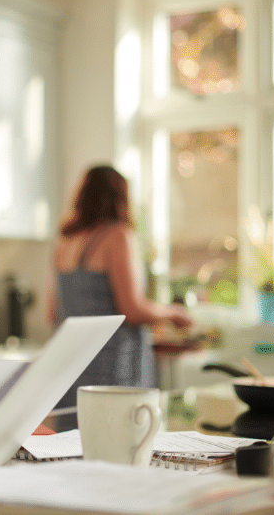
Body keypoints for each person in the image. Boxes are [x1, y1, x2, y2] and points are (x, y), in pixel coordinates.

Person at [48, 165, 192, 408]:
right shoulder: (117, 236)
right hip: (114, 368)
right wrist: (172, 313)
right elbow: (132, 310)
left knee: (71, 442)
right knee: (123, 440)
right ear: (121, 197)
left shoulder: (64, 241)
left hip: (70, 365)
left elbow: (52, 313)